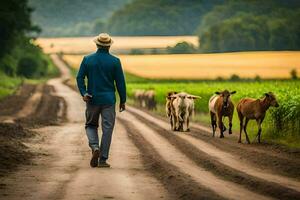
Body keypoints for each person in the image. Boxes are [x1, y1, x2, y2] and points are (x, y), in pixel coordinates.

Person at [76, 33, 126, 168]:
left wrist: (84, 92)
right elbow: (120, 83)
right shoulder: (115, 61)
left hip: (92, 99)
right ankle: (103, 159)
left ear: (97, 44)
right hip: (109, 100)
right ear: (109, 45)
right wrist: (123, 100)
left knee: (91, 125)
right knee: (107, 129)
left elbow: (79, 78)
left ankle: (94, 146)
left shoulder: (87, 59)